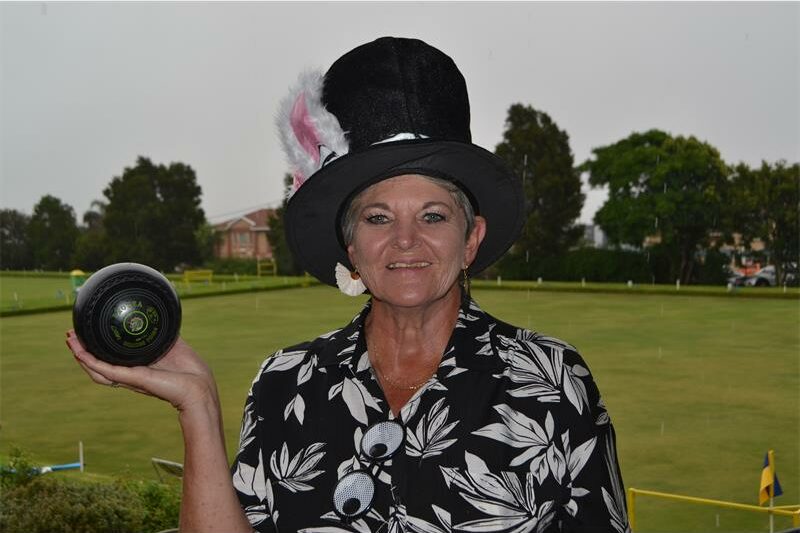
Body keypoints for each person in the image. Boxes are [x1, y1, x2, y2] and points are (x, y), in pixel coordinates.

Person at [67, 37, 629, 533]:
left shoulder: (554, 384)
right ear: (351, 247)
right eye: (378, 218)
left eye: (432, 216)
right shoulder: (285, 385)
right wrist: (199, 408)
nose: (405, 241)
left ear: (472, 239)